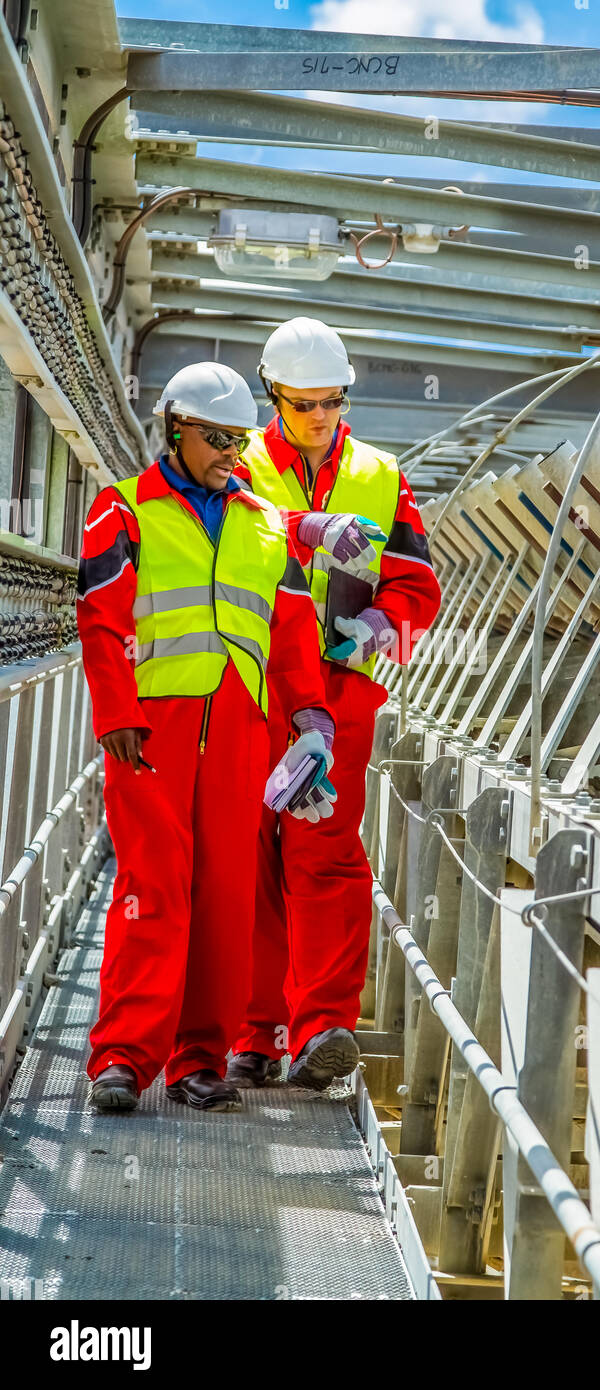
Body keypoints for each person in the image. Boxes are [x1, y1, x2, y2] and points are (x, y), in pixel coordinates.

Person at [76, 362, 371, 1114]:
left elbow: (293, 632)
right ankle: (121, 1058)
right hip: (152, 731)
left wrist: (310, 722)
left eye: (238, 441)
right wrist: (115, 714)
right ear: (176, 429)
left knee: (228, 898)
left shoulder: (263, 524)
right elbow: (102, 619)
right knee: (154, 889)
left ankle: (198, 1061)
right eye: (216, 439)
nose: (230, 454)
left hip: (240, 728)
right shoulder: (125, 512)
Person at [227, 317, 441, 1092]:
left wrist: (386, 621)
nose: (321, 416)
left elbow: (417, 579)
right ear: (271, 397)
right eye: (303, 403)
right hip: (253, 687)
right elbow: (203, 523)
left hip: (342, 694)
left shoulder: (382, 475)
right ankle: (253, 1032)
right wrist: (303, 527)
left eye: (334, 401)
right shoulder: (235, 459)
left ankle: (320, 1029)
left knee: (325, 855)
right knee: (248, 856)